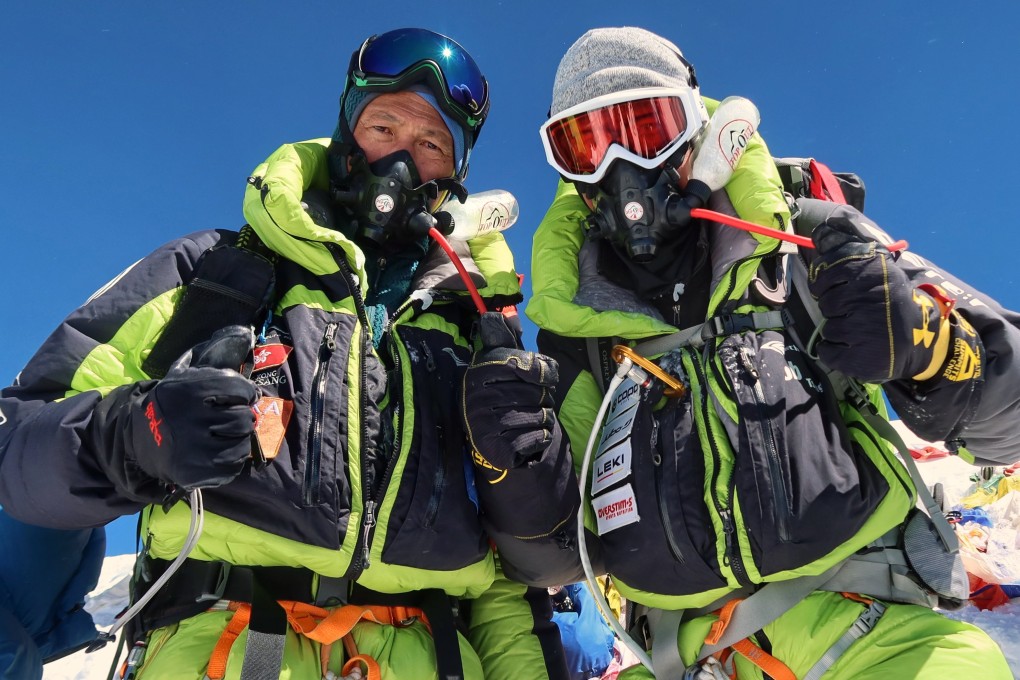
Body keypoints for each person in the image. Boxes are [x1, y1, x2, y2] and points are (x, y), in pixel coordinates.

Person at [0, 27, 579, 680]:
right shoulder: (213, 274)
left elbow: (510, 586)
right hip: (224, 647)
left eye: (430, 144)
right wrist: (136, 436)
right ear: (344, 134)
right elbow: (18, 437)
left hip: (433, 653)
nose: (400, 160)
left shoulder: (482, 336)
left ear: (454, 179)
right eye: (383, 128)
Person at [526, 26, 1018, 679]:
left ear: (698, 135)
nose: (619, 166)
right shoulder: (582, 344)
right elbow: (558, 551)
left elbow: (1010, 422)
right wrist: (516, 471)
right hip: (677, 659)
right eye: (585, 145)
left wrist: (927, 343)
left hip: (870, 636)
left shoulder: (807, 244)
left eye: (646, 127)